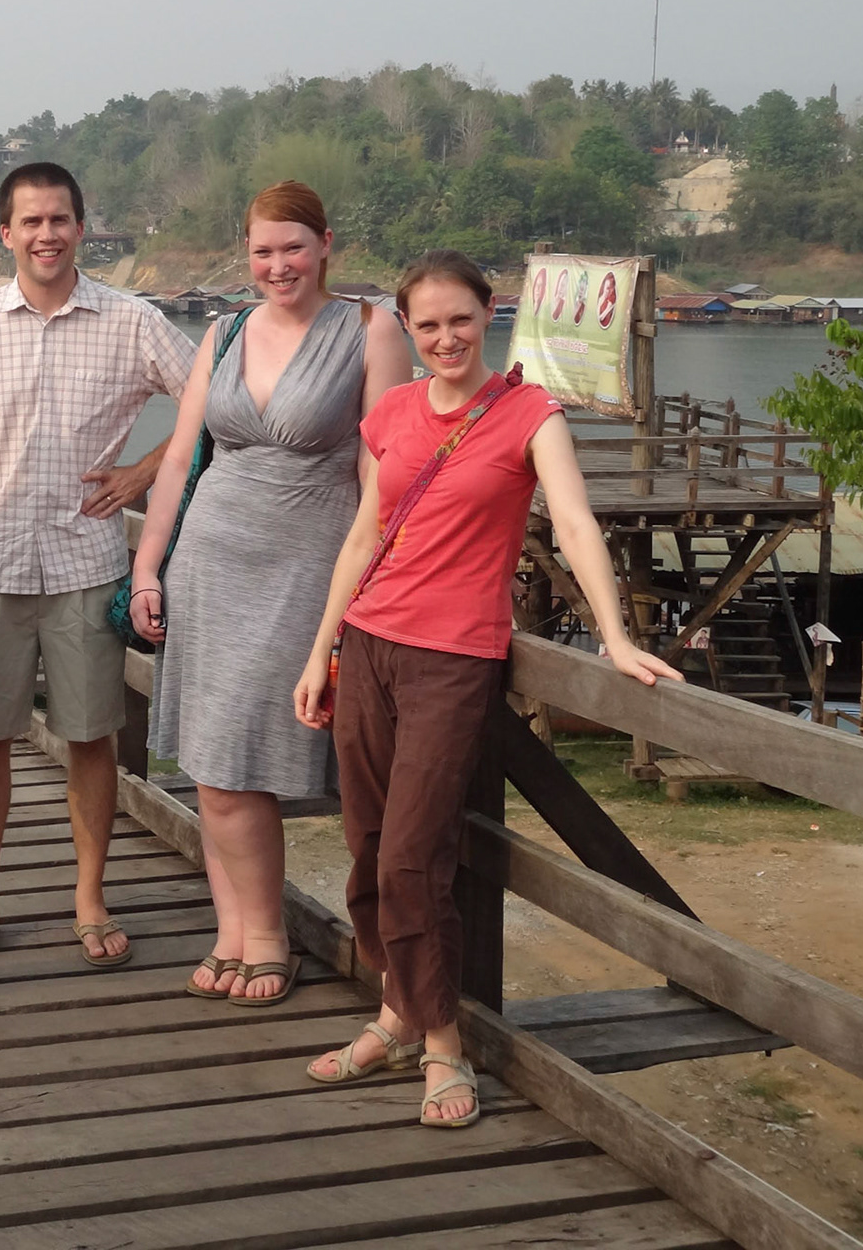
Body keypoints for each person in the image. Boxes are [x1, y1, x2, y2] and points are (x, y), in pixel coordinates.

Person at [294, 249, 682, 1127]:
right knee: (364, 845)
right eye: (425, 325)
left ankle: (444, 1045)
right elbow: (363, 538)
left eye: (459, 320)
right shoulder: (391, 413)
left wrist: (615, 636)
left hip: (453, 660)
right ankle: (397, 1011)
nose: (444, 339)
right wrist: (320, 651)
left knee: (414, 859)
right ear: (409, 329)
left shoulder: (528, 414)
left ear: (488, 314)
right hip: (369, 645)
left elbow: (576, 524)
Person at [132, 181, 410, 1004]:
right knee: (216, 759)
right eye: (262, 250)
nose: (277, 264)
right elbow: (181, 459)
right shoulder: (223, 331)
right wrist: (149, 565)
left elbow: (382, 470)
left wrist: (369, 582)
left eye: (293, 246)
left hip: (305, 565)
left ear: (327, 244)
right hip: (210, 561)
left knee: (242, 759)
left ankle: (265, 936)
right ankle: (235, 930)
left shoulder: (371, 329)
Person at [0, 163, 196, 967]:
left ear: (84, 227)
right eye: (31, 221)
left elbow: (213, 400)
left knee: (92, 737)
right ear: (6, 233)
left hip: (87, 560)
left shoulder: (133, 320)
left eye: (61, 219)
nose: (47, 234)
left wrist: (144, 472)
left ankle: (89, 895)